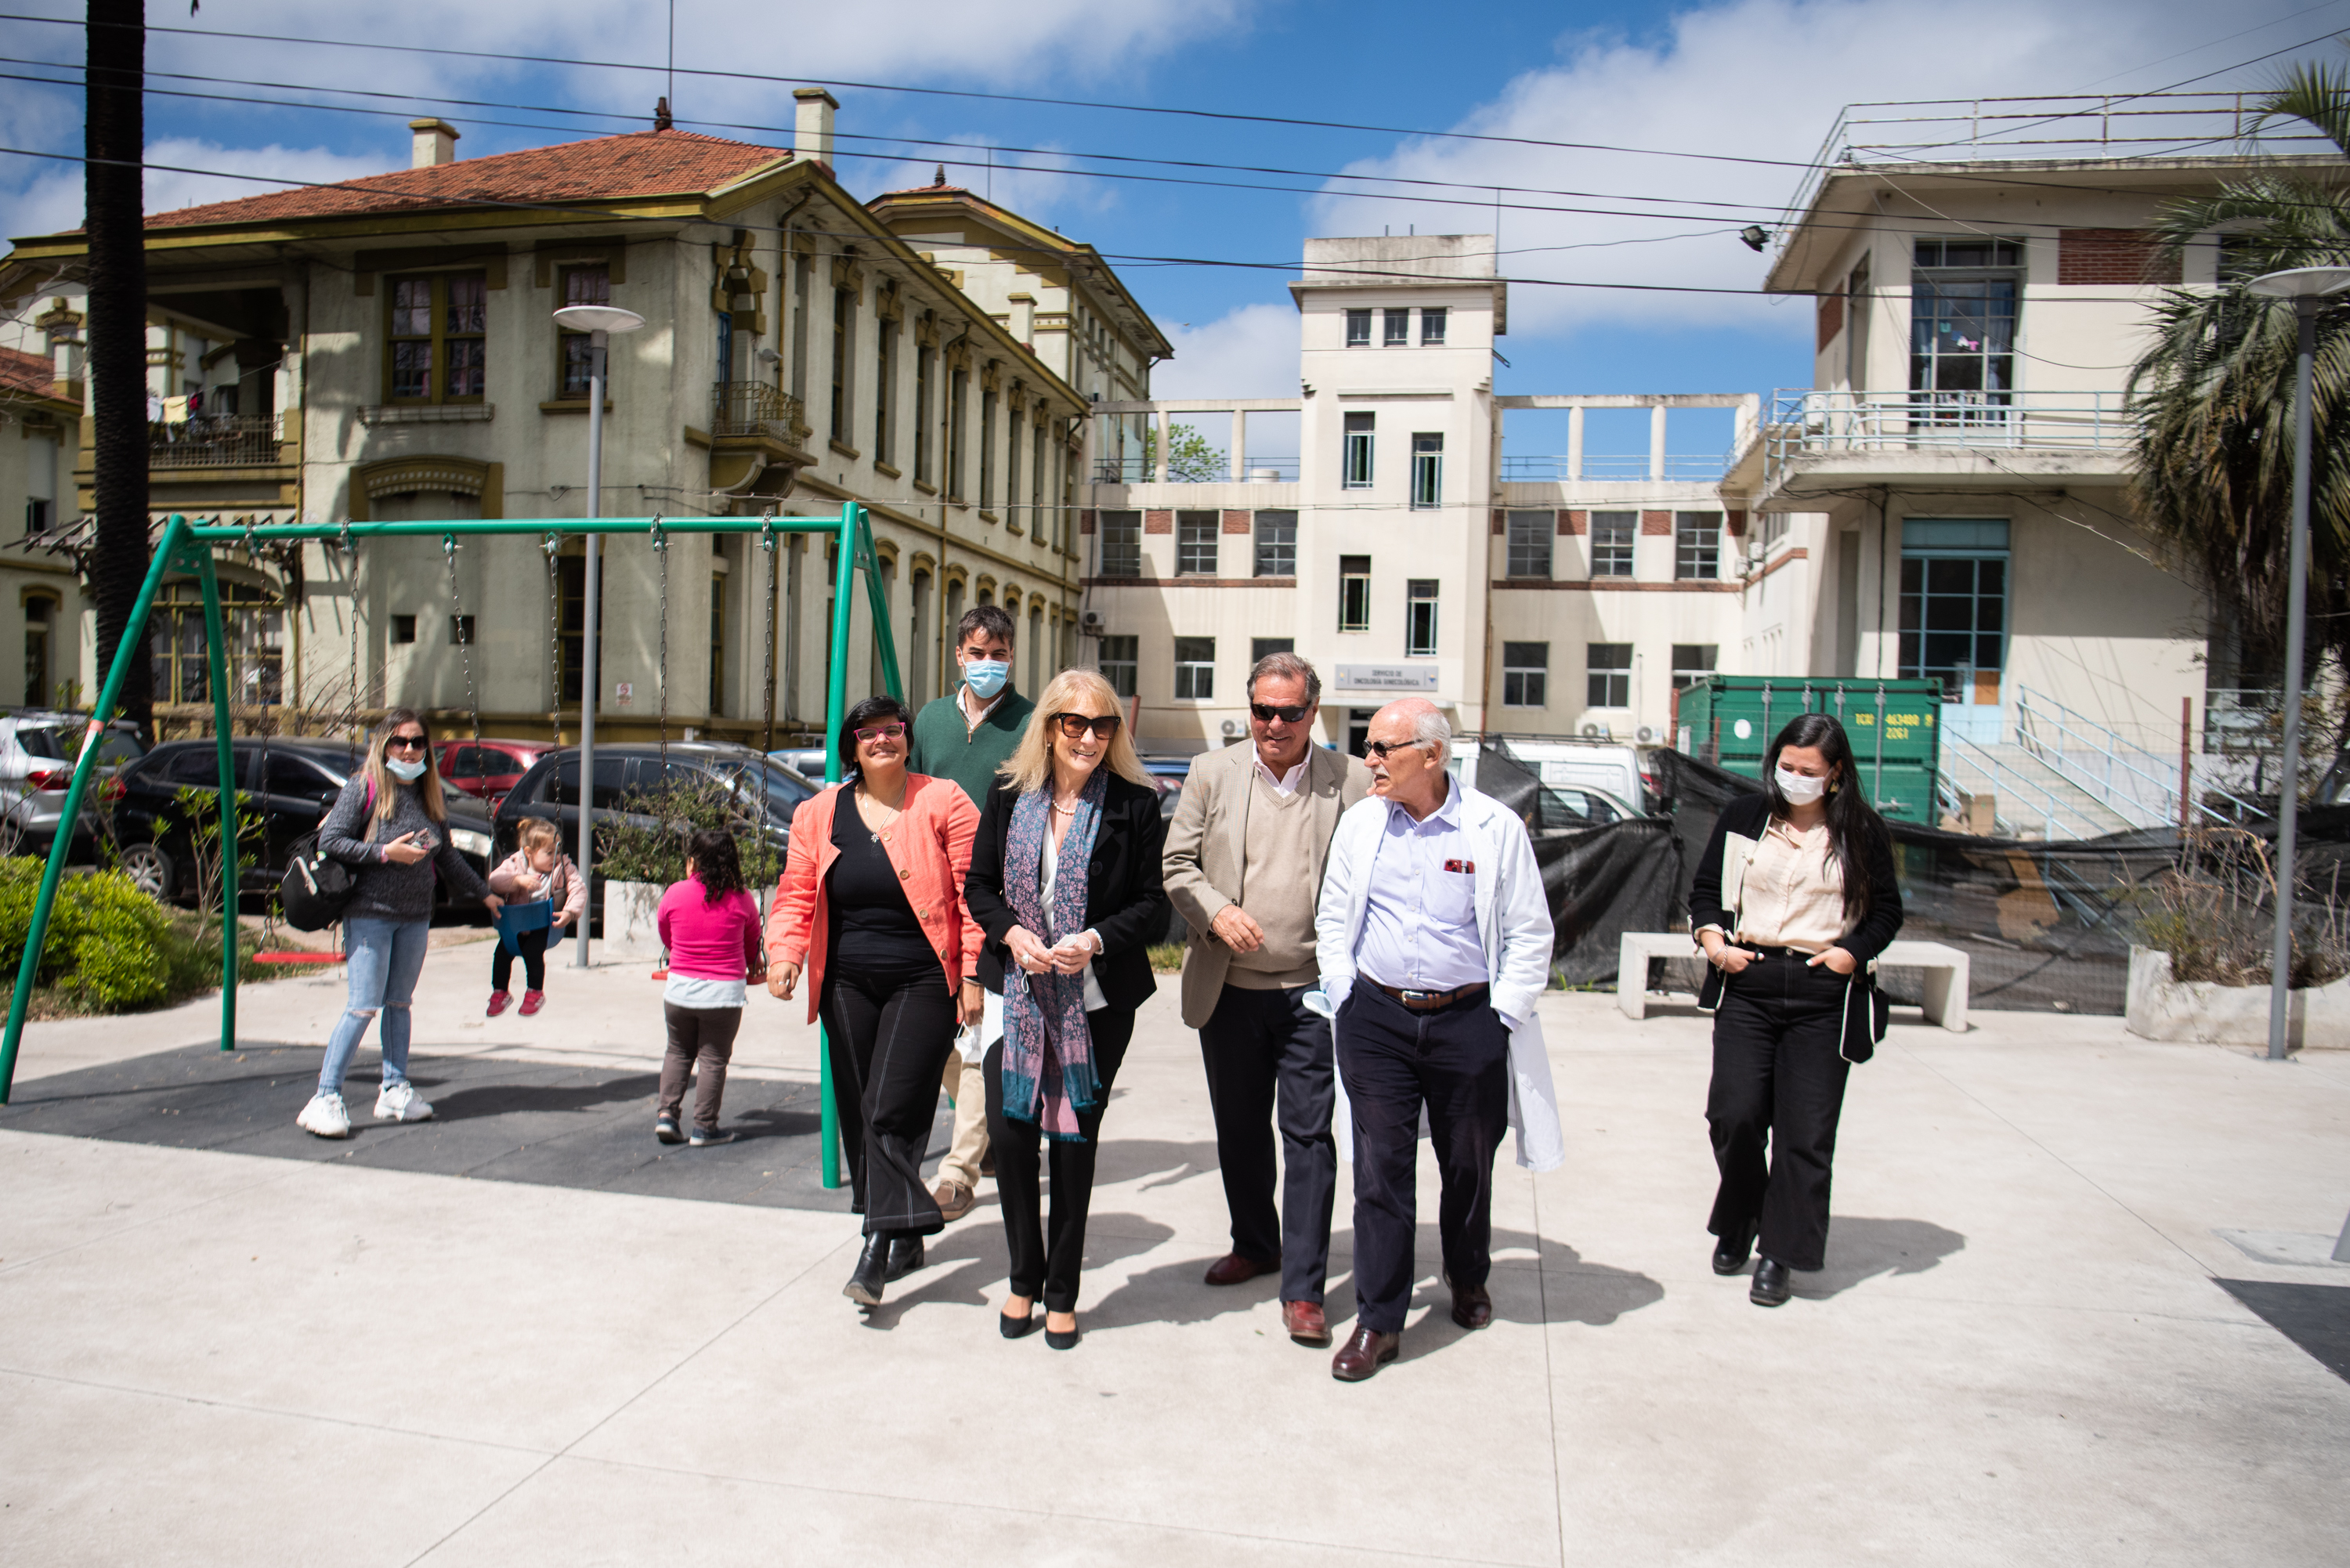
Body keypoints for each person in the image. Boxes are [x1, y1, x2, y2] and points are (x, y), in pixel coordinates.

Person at [1313, 698, 1561, 1382]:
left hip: (1468, 1022)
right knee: (1380, 1171)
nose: (1369, 762)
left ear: (1432, 755)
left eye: (1382, 750)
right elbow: (1333, 917)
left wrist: (1501, 1016)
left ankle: (1468, 1271)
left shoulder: (1493, 828)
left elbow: (1530, 931)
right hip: (1377, 1021)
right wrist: (1344, 992)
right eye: (1368, 748)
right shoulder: (1363, 824)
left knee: (1468, 1163)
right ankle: (1380, 1320)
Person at [1162, 652, 1371, 1348]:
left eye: (1290, 712)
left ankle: (1304, 1290)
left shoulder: (1356, 782)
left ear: (1315, 712)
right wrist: (1216, 912)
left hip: (1311, 991)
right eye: (1262, 711)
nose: (1274, 725)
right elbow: (1177, 865)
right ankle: (1256, 1242)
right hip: (1229, 990)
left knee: (1309, 1135)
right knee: (1240, 1129)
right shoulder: (1210, 773)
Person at [964, 669, 1167, 1349]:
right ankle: (1023, 1278)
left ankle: (1061, 1293)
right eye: (1073, 723)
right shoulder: (1006, 792)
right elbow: (981, 886)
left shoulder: (1135, 803)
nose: (1087, 737)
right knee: (1013, 1138)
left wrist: (1095, 939)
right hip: (1015, 994)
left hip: (1096, 1001)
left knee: (1074, 1142)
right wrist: (1013, 933)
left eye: (1101, 725)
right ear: (1049, 726)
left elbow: (1151, 904)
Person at [766, 695, 985, 1308]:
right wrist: (784, 952)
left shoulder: (944, 801)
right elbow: (795, 890)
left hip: (922, 979)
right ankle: (907, 1227)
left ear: (908, 740)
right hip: (845, 984)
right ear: (852, 745)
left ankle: (873, 1248)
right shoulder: (818, 812)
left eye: (894, 730)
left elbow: (972, 895)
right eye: (870, 732)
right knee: (863, 1114)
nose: (883, 739)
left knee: (888, 1108)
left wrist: (971, 973)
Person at [1689, 712, 1902, 1307]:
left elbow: (1887, 912)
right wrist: (1712, 941)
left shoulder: (1862, 831)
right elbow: (1705, 889)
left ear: (1835, 774)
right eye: (1786, 767)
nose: (1794, 778)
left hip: (1821, 993)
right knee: (1732, 1116)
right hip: (1749, 982)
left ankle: (1779, 1253)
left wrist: (1849, 954)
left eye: (1808, 771)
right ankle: (1743, 1214)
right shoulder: (1744, 818)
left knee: (1804, 1135)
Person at [298, 708, 502, 1138]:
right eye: (399, 741)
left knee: (399, 1004)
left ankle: (394, 1089)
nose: (408, 749)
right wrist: (385, 853)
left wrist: (484, 894)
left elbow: (444, 853)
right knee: (362, 1005)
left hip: (414, 917)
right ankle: (325, 1096)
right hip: (370, 913)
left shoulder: (428, 796)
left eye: (417, 742)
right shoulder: (365, 787)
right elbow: (331, 839)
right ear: (383, 744)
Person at [908, 605, 1034, 1225]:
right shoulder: (930, 720)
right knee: (942, 1035)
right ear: (958, 654)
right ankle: (988, 1134)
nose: (990, 664)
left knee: (981, 1029)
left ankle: (958, 1171)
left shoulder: (1032, 722)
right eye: (979, 653)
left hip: (999, 895)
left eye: (1000, 652)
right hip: (933, 893)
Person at [656, 829, 766, 1147]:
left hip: (680, 991)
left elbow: (667, 934)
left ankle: (667, 1115)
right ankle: (704, 1127)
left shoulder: (675, 893)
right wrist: (752, 962)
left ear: (693, 862)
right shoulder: (742, 897)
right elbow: (751, 944)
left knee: (677, 1051)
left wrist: (681, 951)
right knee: (713, 1059)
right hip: (723, 995)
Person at [485, 816, 585, 1016]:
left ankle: (535, 992)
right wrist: (517, 881)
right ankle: (500, 992)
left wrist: (570, 912)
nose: (555, 857)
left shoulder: (564, 869)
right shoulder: (515, 865)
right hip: (514, 926)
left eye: (557, 851)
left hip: (543, 926)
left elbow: (578, 889)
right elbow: (494, 880)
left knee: (532, 953)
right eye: (549, 853)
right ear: (529, 853)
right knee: (502, 955)